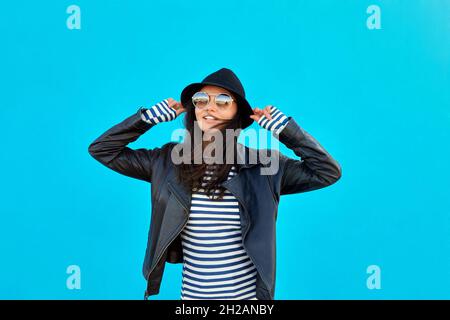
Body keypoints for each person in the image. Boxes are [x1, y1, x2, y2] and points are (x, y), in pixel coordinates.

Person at [88, 68, 342, 300]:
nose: (209, 107)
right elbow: (103, 150)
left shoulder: (264, 166)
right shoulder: (167, 162)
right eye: (201, 100)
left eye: (222, 101)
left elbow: (326, 172)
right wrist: (147, 118)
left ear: (237, 113)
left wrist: (285, 130)